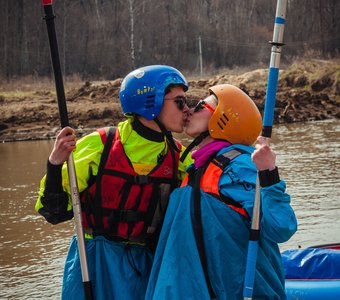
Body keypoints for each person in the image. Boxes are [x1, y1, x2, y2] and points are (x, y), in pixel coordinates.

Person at [35, 65, 194, 300]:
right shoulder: (100, 145)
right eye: (179, 102)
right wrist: (55, 163)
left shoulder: (180, 157)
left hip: (146, 263)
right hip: (94, 261)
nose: (187, 109)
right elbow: (54, 212)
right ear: (151, 102)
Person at [145, 84, 298, 299]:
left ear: (223, 118)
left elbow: (281, 227)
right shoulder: (195, 169)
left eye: (200, 106)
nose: (189, 110)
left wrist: (269, 174)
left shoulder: (240, 165)